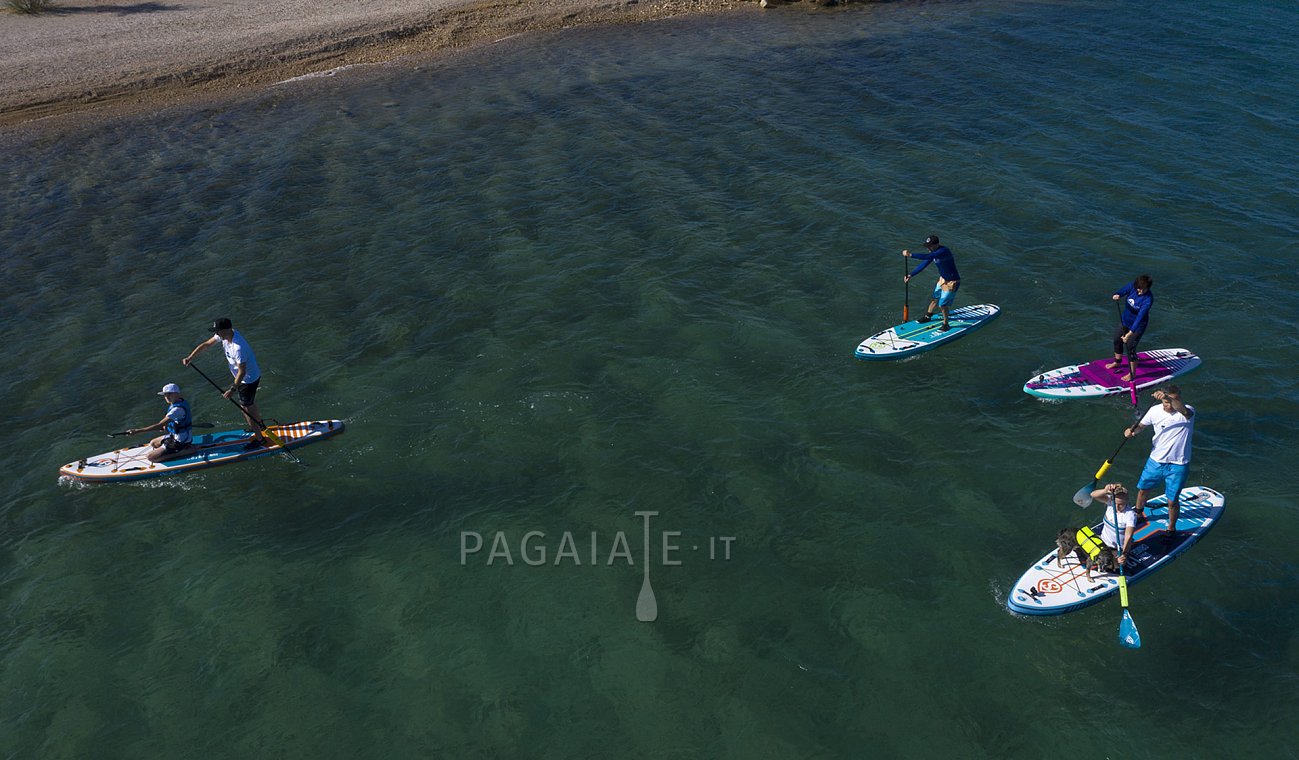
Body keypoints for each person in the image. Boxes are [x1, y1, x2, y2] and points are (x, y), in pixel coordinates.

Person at [183, 317, 266, 447]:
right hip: (249, 377)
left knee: (245, 409)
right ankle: (260, 425)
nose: (216, 334)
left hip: (247, 380)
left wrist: (232, 389)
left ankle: (260, 439)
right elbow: (206, 345)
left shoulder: (238, 347)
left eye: (218, 331)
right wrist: (190, 357)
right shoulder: (225, 335)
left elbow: (242, 372)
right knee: (249, 404)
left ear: (227, 330)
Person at [1124, 385, 1195, 534]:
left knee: (1172, 501)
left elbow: (1184, 411)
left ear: (1179, 399)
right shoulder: (1154, 410)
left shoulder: (1188, 411)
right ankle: (1138, 513)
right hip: (1156, 460)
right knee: (1143, 490)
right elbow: (1141, 426)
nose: (1168, 405)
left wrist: (1166, 397)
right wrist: (1132, 431)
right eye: (1165, 402)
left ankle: (1171, 528)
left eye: (1172, 401)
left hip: (1178, 465)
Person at [902, 235, 961, 331]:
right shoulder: (933, 252)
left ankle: (946, 324)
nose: (928, 248)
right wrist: (911, 275)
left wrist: (910, 255)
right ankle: (928, 316)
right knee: (934, 298)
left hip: (952, 282)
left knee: (942, 305)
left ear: (937, 244)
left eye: (930, 246)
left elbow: (927, 256)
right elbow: (924, 264)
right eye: (927, 246)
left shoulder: (943, 251)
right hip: (943, 279)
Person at [125, 383, 195, 463]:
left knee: (150, 457)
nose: (167, 397)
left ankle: (182, 452)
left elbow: (159, 425)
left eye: (169, 394)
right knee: (153, 443)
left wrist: (137, 431)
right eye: (165, 395)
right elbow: (176, 421)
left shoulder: (177, 409)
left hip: (181, 441)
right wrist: (167, 426)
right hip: (175, 436)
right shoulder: (180, 402)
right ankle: (166, 449)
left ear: (177, 393)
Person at [1106, 274, 1153, 382]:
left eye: (1143, 290)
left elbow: (1140, 318)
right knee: (1117, 340)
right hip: (1125, 321)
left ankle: (1132, 373)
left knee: (1130, 348)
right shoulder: (1132, 286)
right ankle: (1117, 362)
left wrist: (1129, 334)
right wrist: (1117, 294)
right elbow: (1121, 291)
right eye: (1139, 289)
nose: (1140, 292)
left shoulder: (1148, 300)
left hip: (1137, 326)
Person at [1088, 482, 1137, 567]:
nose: (1117, 507)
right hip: (1102, 541)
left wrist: (1124, 554)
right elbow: (1093, 494)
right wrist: (1105, 490)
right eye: (1116, 503)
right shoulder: (1110, 502)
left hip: (1117, 548)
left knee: (1117, 564)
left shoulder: (1130, 515)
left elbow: (1128, 537)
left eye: (1121, 504)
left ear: (1126, 501)